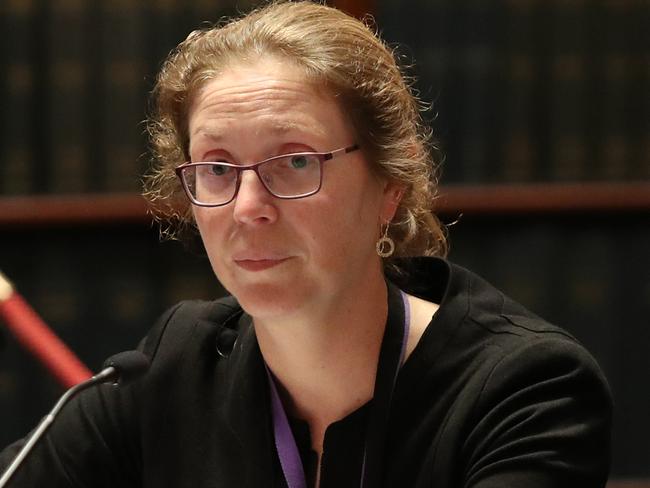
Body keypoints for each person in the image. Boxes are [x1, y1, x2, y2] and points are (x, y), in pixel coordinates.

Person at [1, 2, 612, 487]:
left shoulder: (525, 389)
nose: (247, 207)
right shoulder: (175, 366)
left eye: (295, 161)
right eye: (216, 168)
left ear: (390, 186)